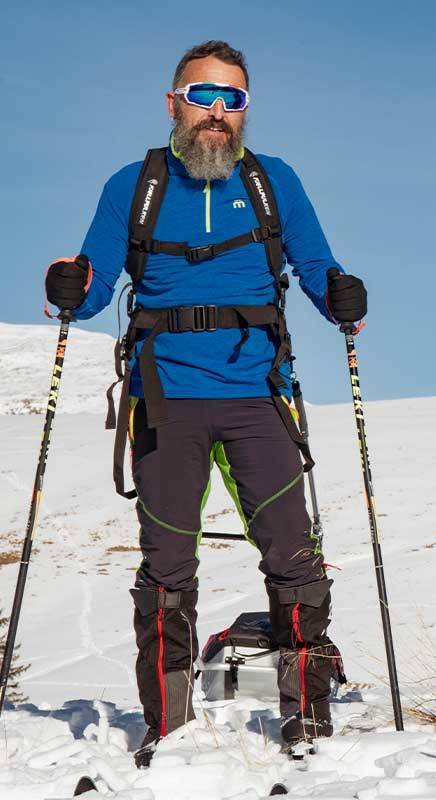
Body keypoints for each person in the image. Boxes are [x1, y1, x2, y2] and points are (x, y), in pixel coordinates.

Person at [42, 40, 367, 765]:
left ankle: (307, 716)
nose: (217, 112)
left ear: (245, 110)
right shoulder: (134, 186)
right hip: (165, 399)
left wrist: (342, 295)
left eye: (232, 99)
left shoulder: (274, 182)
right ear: (174, 103)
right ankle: (168, 723)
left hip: (258, 394)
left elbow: (317, 267)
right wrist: (67, 285)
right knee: (166, 567)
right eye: (202, 96)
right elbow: (90, 288)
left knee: (294, 555)